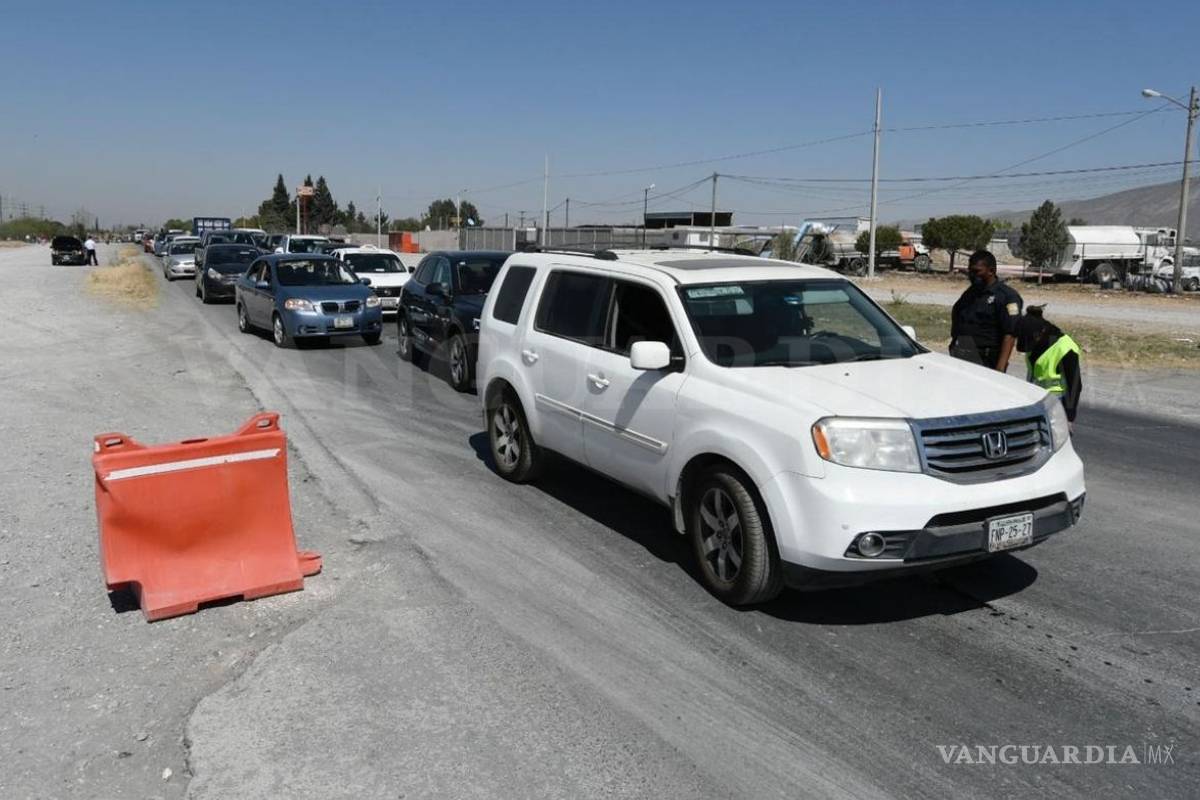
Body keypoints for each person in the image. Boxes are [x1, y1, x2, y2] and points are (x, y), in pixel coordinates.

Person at [949, 249, 1022, 371]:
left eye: (977, 271)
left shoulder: (1006, 296)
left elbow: (1009, 334)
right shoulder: (971, 293)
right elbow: (958, 314)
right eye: (970, 271)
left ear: (991, 271)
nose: (972, 275)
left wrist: (1000, 367)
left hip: (986, 359)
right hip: (963, 355)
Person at [1015, 306, 1082, 424]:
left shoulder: (1065, 348)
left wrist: (1068, 418)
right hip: (1035, 399)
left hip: (1056, 404)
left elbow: (1075, 386)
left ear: (1040, 334)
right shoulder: (1034, 342)